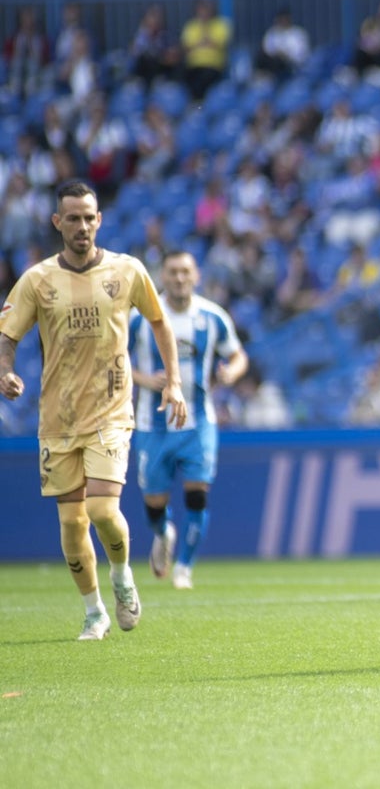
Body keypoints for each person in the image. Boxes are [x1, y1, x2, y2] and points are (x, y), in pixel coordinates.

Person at [0, 180, 188, 640]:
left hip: (111, 411)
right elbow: (7, 335)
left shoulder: (126, 271)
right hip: (57, 419)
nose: (82, 226)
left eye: (89, 217)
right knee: (71, 520)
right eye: (73, 218)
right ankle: (93, 611)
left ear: (99, 220)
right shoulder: (38, 280)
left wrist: (174, 383)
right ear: (57, 222)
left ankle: (122, 576)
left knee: (103, 509)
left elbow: (161, 322)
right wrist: (4, 369)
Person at [129, 250, 247, 590]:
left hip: (198, 422)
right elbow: (115, 356)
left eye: (185, 272)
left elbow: (238, 355)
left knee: (197, 494)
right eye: (173, 272)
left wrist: (231, 373)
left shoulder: (212, 317)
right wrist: (141, 378)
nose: (179, 278)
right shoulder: (140, 317)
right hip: (153, 423)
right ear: (162, 278)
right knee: (154, 501)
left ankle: (184, 567)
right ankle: (163, 532)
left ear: (196, 276)